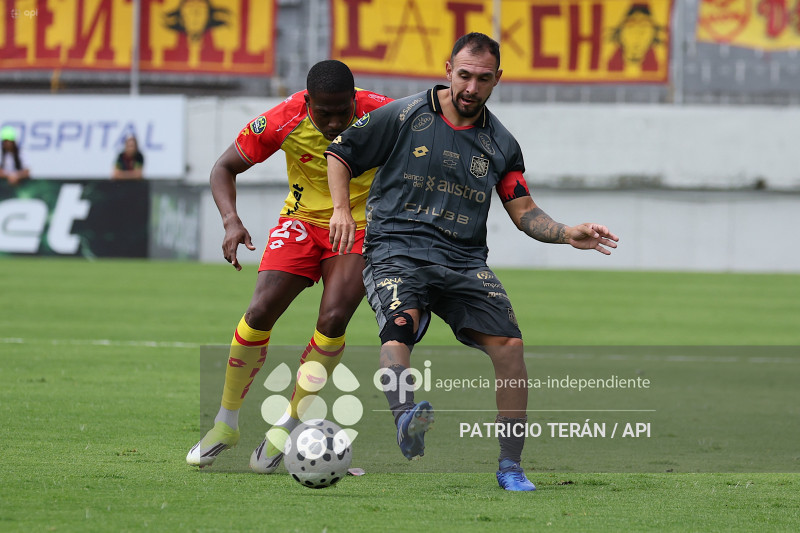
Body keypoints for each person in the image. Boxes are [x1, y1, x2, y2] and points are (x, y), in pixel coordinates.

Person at [325, 33, 619, 491]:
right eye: (464, 75)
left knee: (511, 348)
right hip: (397, 249)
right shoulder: (403, 115)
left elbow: (522, 209)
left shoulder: (501, 143)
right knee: (400, 324)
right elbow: (340, 153)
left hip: (463, 259)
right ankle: (406, 416)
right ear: (448, 70)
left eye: (483, 79)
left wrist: (565, 233)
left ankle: (510, 466)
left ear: (497, 79)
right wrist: (342, 209)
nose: (471, 87)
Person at [186, 60, 391, 472]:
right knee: (259, 311)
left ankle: (289, 423)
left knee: (333, 318)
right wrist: (231, 221)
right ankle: (226, 423)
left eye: (342, 111)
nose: (334, 122)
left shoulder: (386, 116)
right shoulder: (284, 118)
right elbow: (222, 168)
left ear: (356, 99)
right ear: (307, 102)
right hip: (300, 221)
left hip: (360, 225)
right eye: (323, 112)